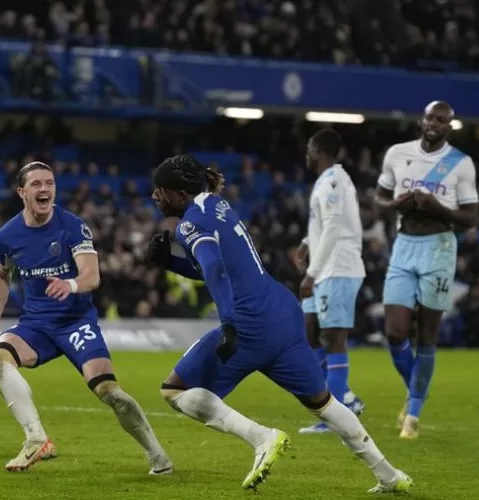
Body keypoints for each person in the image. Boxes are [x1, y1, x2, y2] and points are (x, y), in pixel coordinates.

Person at [147, 154, 412, 493]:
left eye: (161, 190)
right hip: (283, 314)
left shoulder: (188, 224)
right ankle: (388, 474)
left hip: (249, 323)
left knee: (173, 389)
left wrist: (228, 323)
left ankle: (262, 437)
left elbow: (214, 270)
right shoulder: (216, 205)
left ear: (179, 194)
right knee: (323, 402)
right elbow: (227, 268)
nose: (155, 196)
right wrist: (172, 263)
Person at [0, 161, 172, 474]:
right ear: (21, 192)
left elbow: (92, 276)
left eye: (49, 183)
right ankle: (35, 439)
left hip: (76, 323)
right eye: (37, 184)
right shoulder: (8, 235)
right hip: (36, 325)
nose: (45, 189)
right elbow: (1, 276)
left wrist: (69, 284)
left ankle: (159, 458)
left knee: (110, 392)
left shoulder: (73, 226)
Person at [374, 101, 479, 439]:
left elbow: (470, 217)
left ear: (450, 126)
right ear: (421, 120)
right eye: (430, 117)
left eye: (442, 120)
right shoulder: (397, 154)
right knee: (394, 332)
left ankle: (413, 415)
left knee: (427, 335)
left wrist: (436, 206)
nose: (435, 123)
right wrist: (396, 205)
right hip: (404, 246)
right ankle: (417, 389)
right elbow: (379, 199)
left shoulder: (460, 164)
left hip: (439, 248)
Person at [294, 129, 366, 433]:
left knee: (334, 339)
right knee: (310, 331)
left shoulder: (334, 181)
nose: (307, 153)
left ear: (319, 149)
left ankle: (336, 415)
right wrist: (307, 242)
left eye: (310, 147)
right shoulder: (325, 181)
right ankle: (345, 398)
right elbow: (325, 225)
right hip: (326, 268)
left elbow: (335, 227)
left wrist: (311, 274)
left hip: (338, 268)